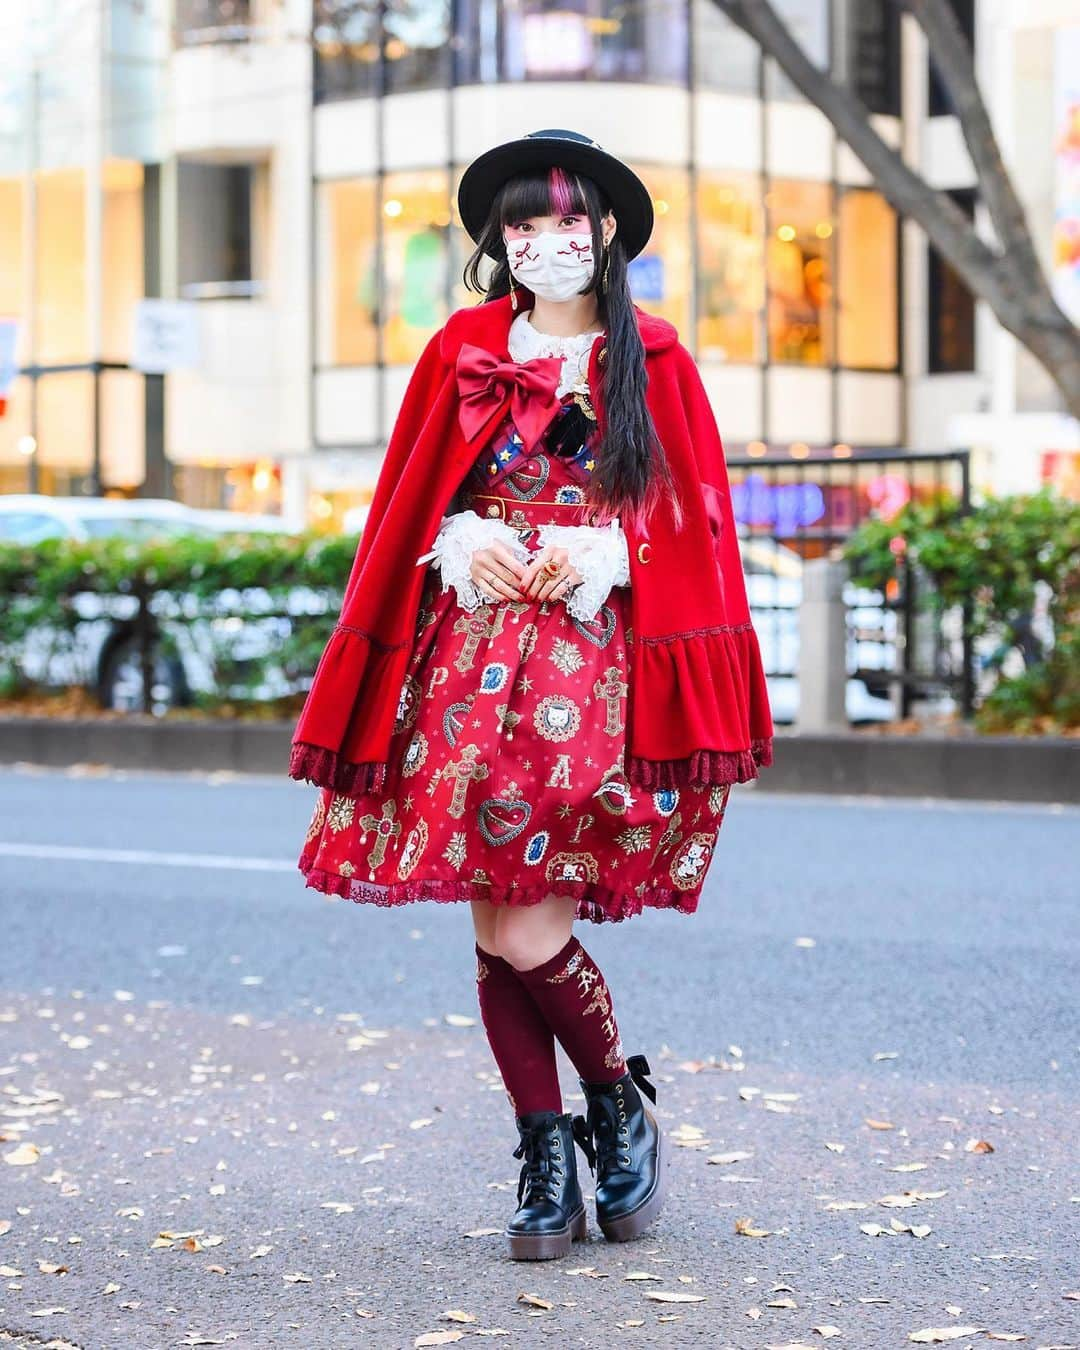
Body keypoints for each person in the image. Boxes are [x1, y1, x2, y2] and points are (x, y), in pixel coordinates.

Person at [290, 129, 774, 1261]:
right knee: (493, 914)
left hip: (589, 658)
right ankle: (548, 1156)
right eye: (524, 225)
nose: (547, 242)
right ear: (497, 242)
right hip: (466, 659)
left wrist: (605, 552)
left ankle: (616, 1106)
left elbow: (692, 512)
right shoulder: (461, 347)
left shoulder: (653, 355)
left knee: (529, 919)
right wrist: (461, 537)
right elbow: (415, 492)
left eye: (568, 222)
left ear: (606, 233)